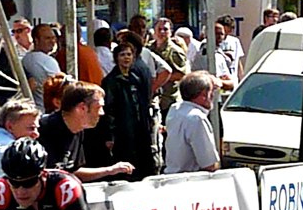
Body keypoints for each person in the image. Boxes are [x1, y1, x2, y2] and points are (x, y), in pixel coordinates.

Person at [39, 81, 134, 181]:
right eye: (99, 107)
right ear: (82, 108)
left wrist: (110, 170)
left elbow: (73, 172)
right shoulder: (42, 129)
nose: (102, 113)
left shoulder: (78, 128)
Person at [101, 41, 156, 180]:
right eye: (122, 55)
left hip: (140, 127)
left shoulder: (136, 78)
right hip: (123, 129)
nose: (126, 58)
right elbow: (109, 109)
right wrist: (109, 135)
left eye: (129, 54)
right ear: (116, 58)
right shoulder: (110, 81)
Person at [164, 72, 219, 174]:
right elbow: (209, 165)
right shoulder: (196, 118)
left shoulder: (175, 110)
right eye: (212, 91)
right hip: (190, 179)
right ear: (203, 95)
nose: (213, 95)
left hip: (172, 175)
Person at [22, 23, 61, 109]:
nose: (52, 41)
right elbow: (60, 86)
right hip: (46, 109)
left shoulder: (25, 59)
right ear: (36, 40)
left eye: (53, 38)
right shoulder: (48, 61)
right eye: (47, 38)